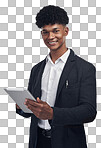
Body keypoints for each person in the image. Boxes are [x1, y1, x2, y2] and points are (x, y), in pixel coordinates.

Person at [16, 5, 97, 148]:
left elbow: (89, 111)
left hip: (68, 143)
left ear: (66, 31)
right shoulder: (36, 69)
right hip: (38, 142)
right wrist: (23, 107)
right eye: (45, 32)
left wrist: (53, 113)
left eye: (55, 31)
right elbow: (32, 111)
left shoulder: (85, 68)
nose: (50, 37)